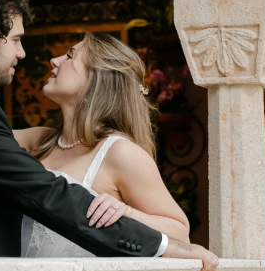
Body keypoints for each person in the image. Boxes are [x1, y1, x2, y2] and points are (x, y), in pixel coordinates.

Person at [0, 0, 218, 271]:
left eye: (70, 56)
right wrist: (161, 247)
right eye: (17, 40)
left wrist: (136, 219)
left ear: (97, 82)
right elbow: (47, 193)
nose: (27, 54)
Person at [14, 33, 192, 259]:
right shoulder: (37, 140)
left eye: (70, 56)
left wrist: (127, 212)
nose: (55, 60)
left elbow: (181, 234)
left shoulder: (120, 153)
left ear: (96, 80)